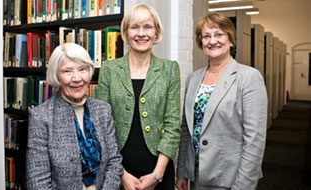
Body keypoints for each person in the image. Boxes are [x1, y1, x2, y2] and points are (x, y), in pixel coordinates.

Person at [176, 12, 267, 190]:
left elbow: (254, 140)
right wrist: (182, 172)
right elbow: (187, 129)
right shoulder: (193, 79)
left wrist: (243, 185)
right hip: (197, 176)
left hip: (230, 178)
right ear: (200, 42)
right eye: (206, 36)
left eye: (219, 34)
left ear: (231, 39)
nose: (212, 41)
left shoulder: (248, 77)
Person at [96, 4, 181, 190]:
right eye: (134, 27)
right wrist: (121, 174)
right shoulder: (109, 69)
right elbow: (101, 125)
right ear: (126, 33)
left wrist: (157, 175)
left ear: (156, 32)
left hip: (158, 168)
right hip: (116, 168)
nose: (141, 33)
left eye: (147, 27)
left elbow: (173, 125)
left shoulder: (170, 70)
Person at [26, 43, 123, 190]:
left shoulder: (103, 110)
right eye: (67, 71)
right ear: (57, 75)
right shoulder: (41, 117)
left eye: (82, 69)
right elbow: (37, 181)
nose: (77, 78)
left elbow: (114, 162)